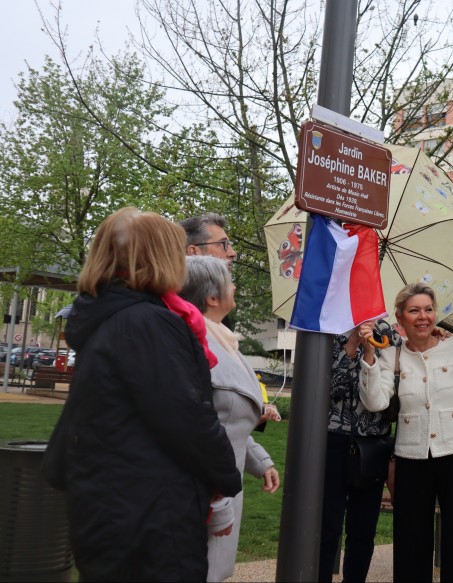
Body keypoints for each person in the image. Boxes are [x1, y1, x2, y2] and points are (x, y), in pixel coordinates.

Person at [49, 207, 241, 581]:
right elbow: (186, 415)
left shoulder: (107, 315)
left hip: (111, 502)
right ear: (159, 257)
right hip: (147, 513)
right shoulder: (148, 323)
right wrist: (225, 477)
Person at [358, 283, 453, 582]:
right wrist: (369, 355)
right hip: (412, 458)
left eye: (428, 309)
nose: (423, 316)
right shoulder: (391, 355)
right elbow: (375, 402)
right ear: (400, 318)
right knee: (411, 542)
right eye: (414, 310)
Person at [179, 255, 281, 582]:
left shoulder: (224, 340)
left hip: (222, 488)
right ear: (212, 297)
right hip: (205, 496)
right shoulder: (196, 343)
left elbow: (227, 419)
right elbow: (199, 431)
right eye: (229, 282)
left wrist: (260, 461)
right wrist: (218, 502)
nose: (234, 287)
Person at [317, 327, 394, 583]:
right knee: (327, 526)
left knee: (363, 530)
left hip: (372, 445)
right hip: (333, 441)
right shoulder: (329, 334)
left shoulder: (388, 337)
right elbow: (327, 390)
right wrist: (351, 344)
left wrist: (370, 349)